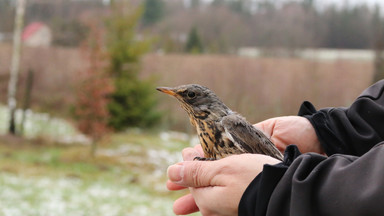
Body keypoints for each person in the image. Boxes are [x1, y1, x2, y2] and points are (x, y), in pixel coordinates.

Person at [167, 79, 384, 216]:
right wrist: (323, 130)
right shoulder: (205, 126)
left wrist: (272, 189)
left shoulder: (230, 125)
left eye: (190, 95)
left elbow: (275, 167)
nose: (182, 97)